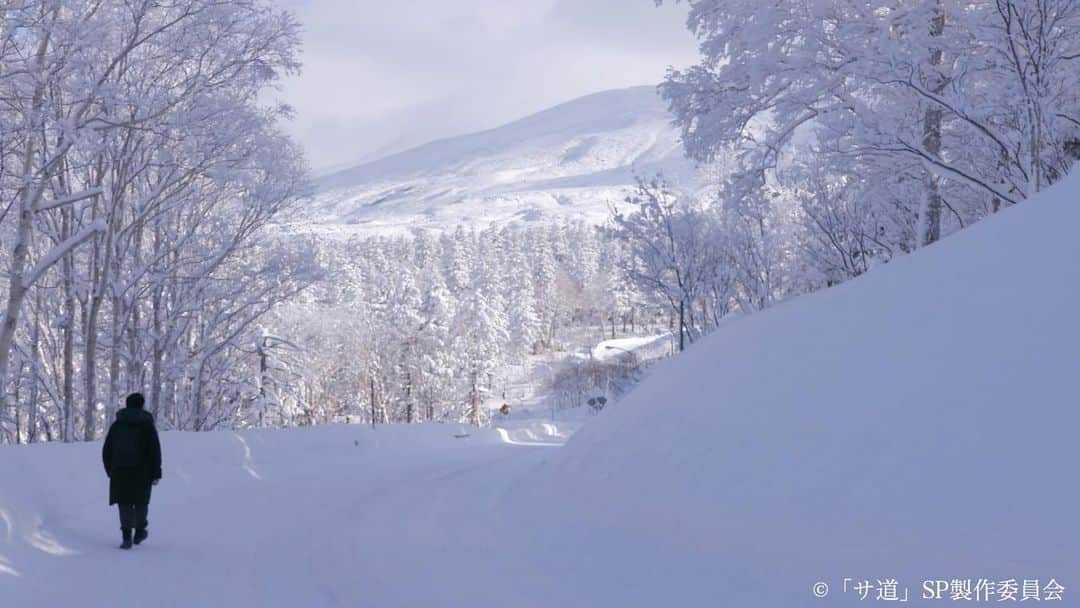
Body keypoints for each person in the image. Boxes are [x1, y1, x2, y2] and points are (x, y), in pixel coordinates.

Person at [102, 393, 162, 550]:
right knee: (141, 502)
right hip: (142, 472)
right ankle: (140, 531)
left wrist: (110, 470)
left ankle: (126, 537)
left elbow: (107, 450)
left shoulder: (117, 425)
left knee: (124, 503)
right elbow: (155, 450)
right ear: (142, 405)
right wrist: (156, 473)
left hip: (120, 471)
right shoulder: (147, 425)